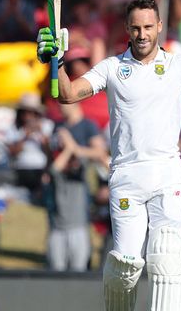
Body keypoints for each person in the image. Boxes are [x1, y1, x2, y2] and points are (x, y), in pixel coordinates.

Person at [36, 0, 181, 310]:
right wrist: (55, 63)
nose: (142, 35)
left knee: (167, 259)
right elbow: (68, 95)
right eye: (136, 28)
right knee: (124, 267)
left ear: (160, 26)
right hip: (127, 177)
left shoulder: (178, 65)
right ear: (127, 28)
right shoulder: (112, 68)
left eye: (149, 27)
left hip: (167, 174)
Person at [45, 102, 108, 272]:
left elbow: (100, 153)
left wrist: (74, 148)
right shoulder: (58, 126)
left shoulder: (88, 126)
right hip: (57, 184)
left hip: (79, 184)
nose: (59, 106)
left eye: (63, 102)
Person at [7, 94, 54, 199]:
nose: (27, 116)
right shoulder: (14, 128)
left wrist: (41, 134)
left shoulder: (46, 126)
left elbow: (50, 151)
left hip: (41, 169)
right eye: (24, 112)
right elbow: (13, 152)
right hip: (21, 169)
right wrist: (24, 137)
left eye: (31, 112)